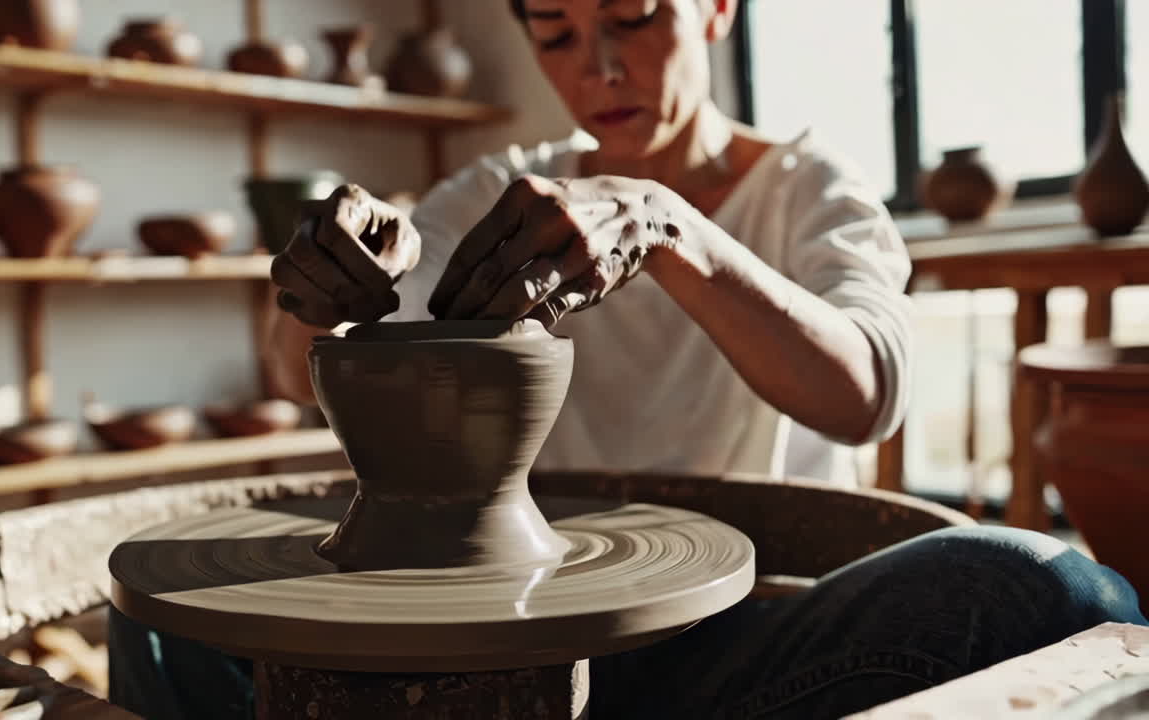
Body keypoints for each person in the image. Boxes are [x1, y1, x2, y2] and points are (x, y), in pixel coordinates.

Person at [110, 1, 1147, 717]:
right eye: (554, 35)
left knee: (1041, 587)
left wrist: (668, 226)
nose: (596, 68)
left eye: (631, 19)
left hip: (724, 655)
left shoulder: (804, 191)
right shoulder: (494, 194)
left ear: (715, 10)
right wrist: (324, 278)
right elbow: (312, 360)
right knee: (155, 618)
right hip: (500, 637)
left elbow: (863, 395)